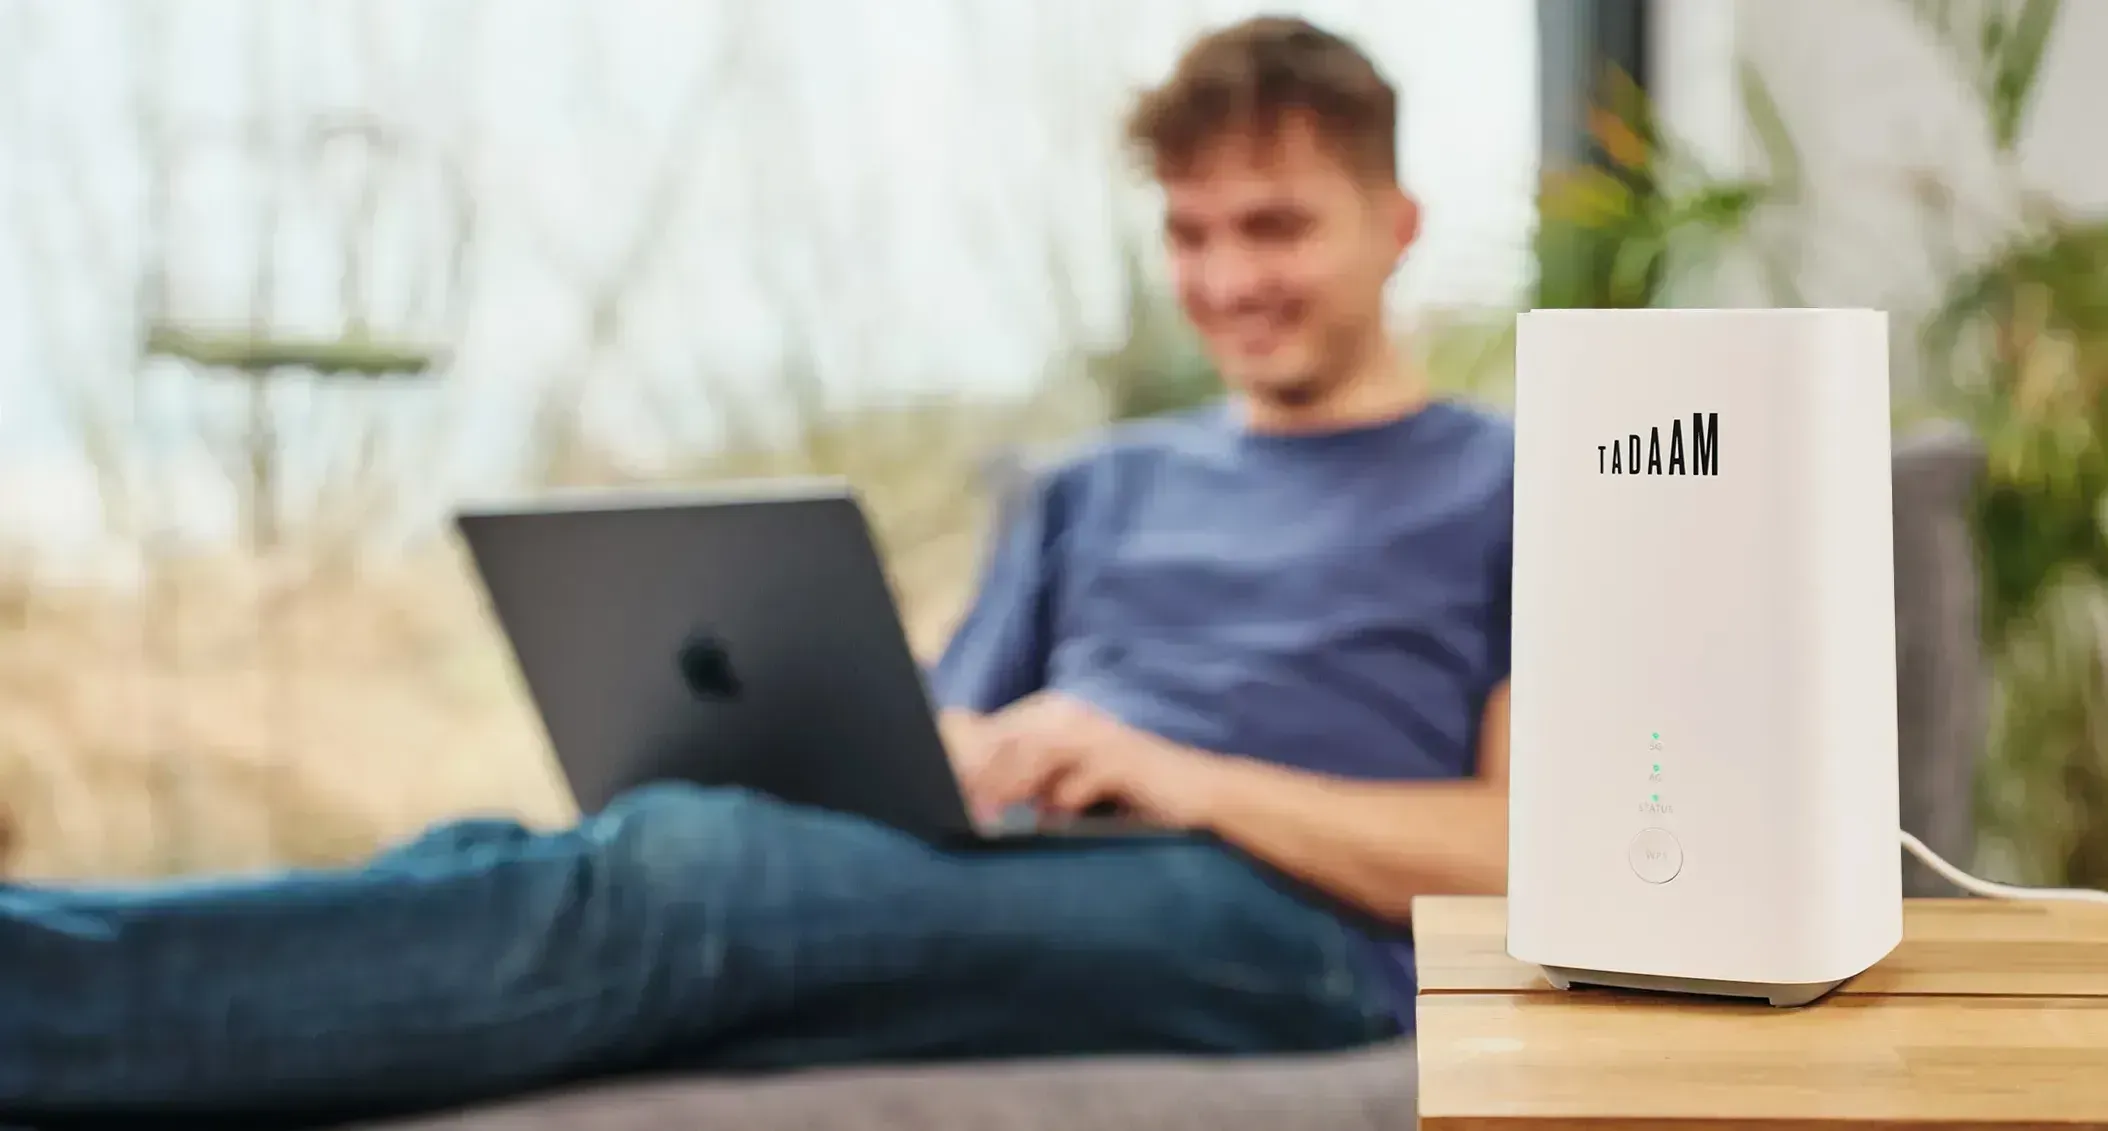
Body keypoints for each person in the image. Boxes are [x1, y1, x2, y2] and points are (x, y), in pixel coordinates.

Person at [0, 15, 1512, 1121]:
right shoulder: (1097, 483)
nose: (1229, 279)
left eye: (1276, 227)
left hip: (1292, 933)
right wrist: (963, 750)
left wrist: (1178, 773)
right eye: (1191, 235)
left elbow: (1517, 853)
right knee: (519, 849)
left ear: (1397, 226)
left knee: (685, 878)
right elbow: (923, 757)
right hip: (1059, 861)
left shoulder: (1502, 480)